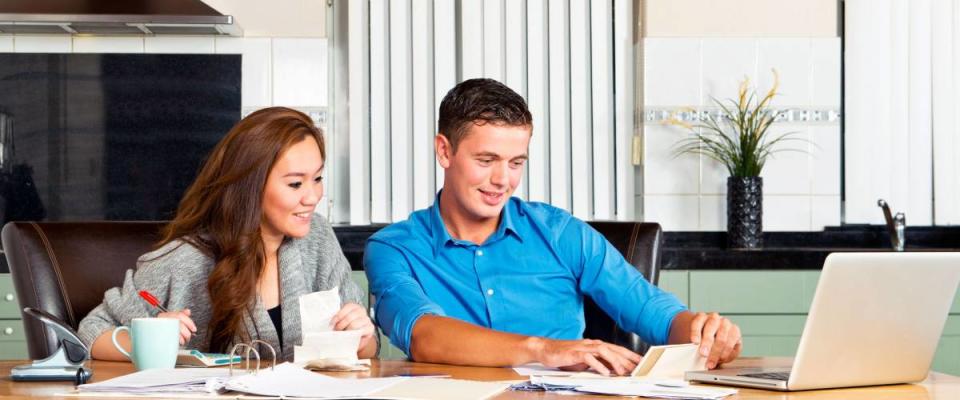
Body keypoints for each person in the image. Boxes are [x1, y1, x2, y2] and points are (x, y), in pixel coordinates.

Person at [365, 79, 742, 376]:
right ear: (444, 151)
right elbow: (424, 335)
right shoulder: (394, 249)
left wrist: (702, 333)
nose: (502, 180)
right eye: (486, 159)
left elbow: (653, 312)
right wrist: (545, 350)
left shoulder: (562, 233)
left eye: (516, 163)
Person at [78, 107, 377, 361]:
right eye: (296, 184)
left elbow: (368, 348)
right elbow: (91, 333)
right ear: (252, 185)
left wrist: (361, 336)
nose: (313, 197)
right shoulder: (186, 259)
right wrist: (151, 338)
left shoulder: (318, 239)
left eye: (318, 178)